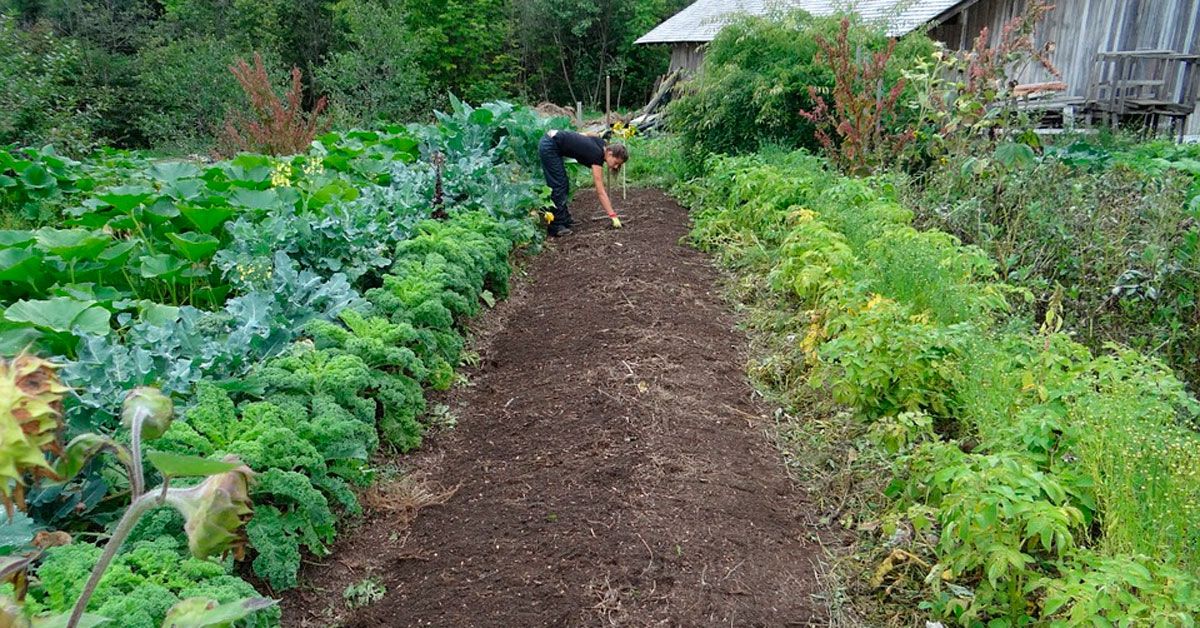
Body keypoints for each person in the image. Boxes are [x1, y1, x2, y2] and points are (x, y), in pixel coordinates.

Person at [538, 129, 628, 237]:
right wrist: (612, 215)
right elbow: (600, 191)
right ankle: (556, 226)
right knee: (558, 185)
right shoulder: (596, 155)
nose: (616, 167)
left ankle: (564, 219)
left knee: (563, 183)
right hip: (550, 145)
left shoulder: (602, 144)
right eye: (616, 162)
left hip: (553, 139)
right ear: (610, 153)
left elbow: (586, 134)